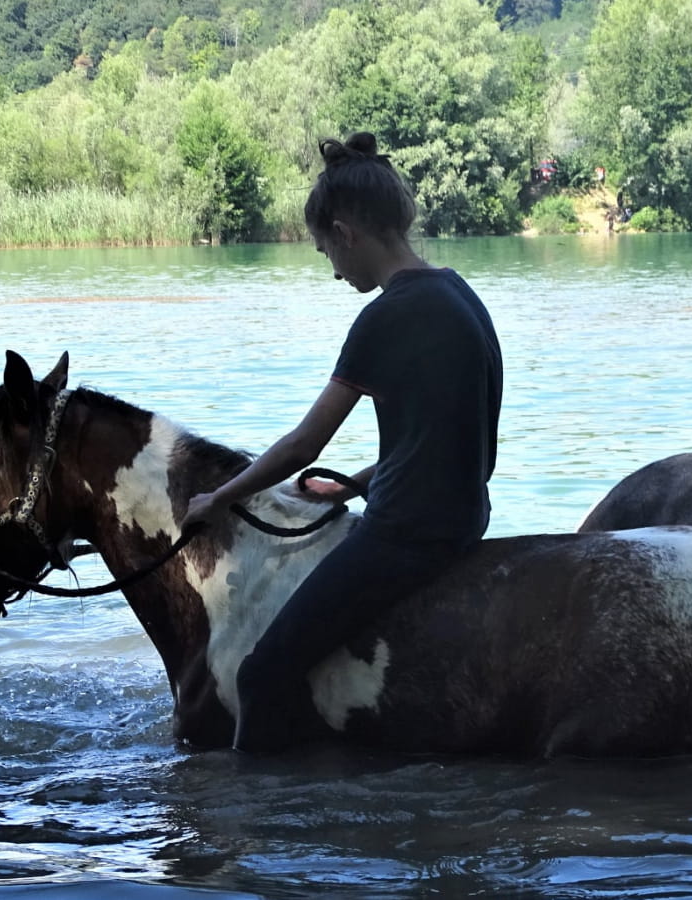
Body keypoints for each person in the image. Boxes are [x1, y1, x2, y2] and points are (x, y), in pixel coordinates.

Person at [183, 132, 503, 750]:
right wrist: (356, 483)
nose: (331, 267)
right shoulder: (459, 291)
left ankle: (269, 820)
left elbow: (303, 444)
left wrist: (218, 498)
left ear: (346, 232)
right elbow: (445, 434)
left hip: (409, 532)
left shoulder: (386, 316)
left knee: (262, 673)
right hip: (466, 515)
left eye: (325, 248)